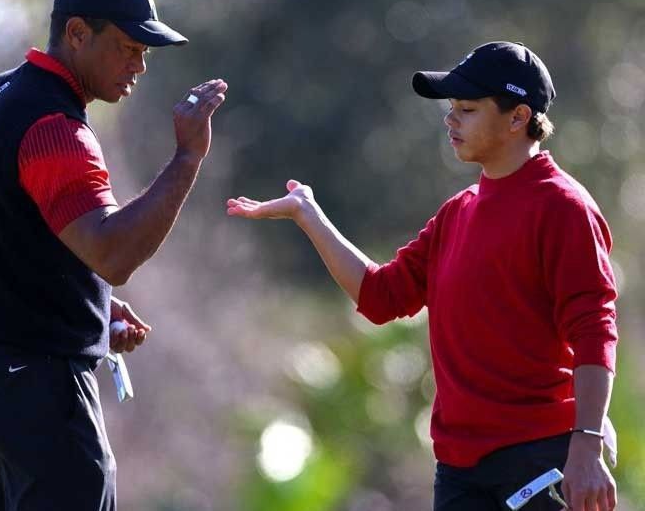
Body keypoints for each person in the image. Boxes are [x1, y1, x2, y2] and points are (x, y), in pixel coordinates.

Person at [227, 41, 617, 511]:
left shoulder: (563, 208)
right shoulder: (457, 214)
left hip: (540, 457)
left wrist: (587, 443)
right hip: (458, 470)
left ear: (518, 118)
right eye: (451, 108)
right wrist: (308, 215)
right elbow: (380, 296)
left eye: (467, 109)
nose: (450, 120)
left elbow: (595, 330)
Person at [0, 0, 227, 511]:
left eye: (145, 52)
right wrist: (188, 155)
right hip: (36, 387)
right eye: (127, 47)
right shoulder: (55, 128)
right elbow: (113, 254)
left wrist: (82, 302)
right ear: (76, 33)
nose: (139, 65)